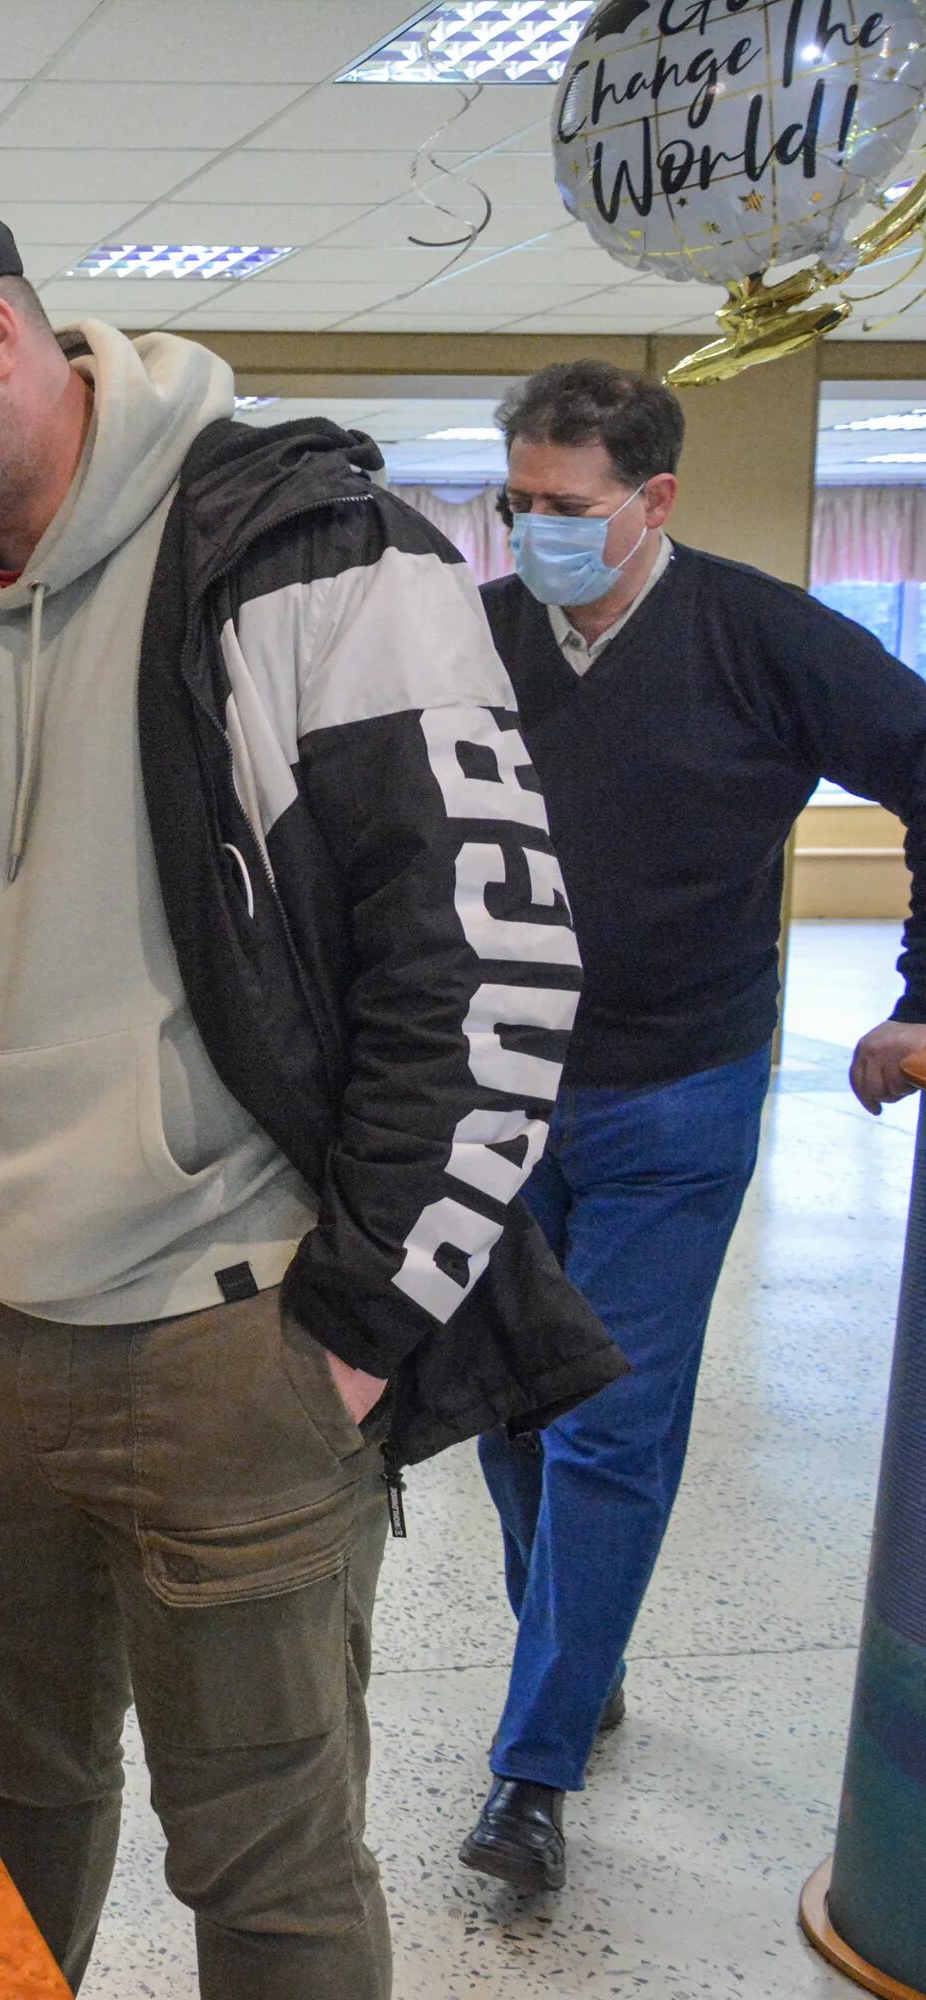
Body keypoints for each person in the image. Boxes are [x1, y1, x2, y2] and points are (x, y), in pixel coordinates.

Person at [0, 183, 620, 1998]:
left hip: (230, 1341)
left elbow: (487, 968)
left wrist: (367, 1319)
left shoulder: (317, 557)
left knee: (272, 1864)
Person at [457, 360, 926, 1891]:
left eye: (570, 508)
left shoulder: (765, 639)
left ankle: (530, 1774)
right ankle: (574, 1664)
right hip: (491, 1098)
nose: (538, 534)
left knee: (612, 1425)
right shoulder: (472, 640)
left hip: (681, 1093)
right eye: (517, 504)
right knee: (512, 1415)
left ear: (653, 500)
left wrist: (921, 994)